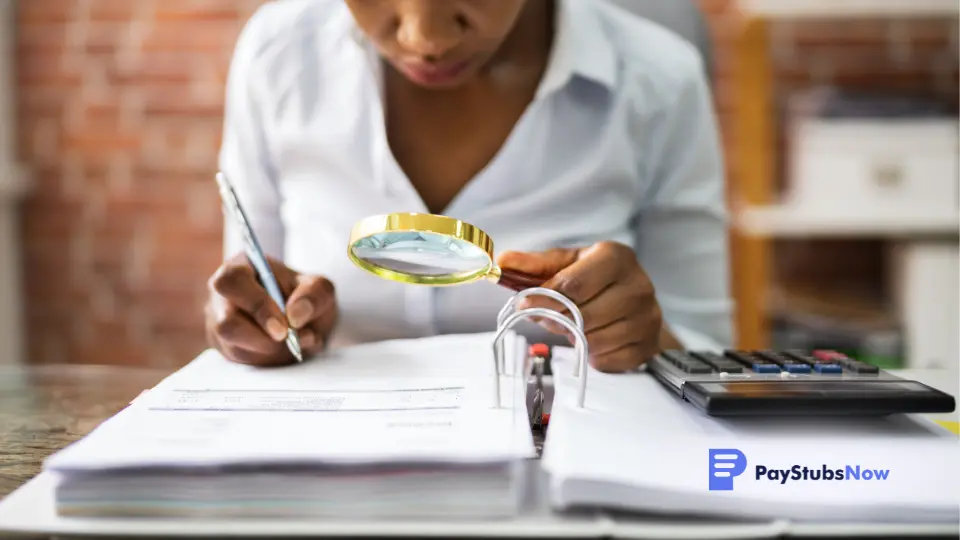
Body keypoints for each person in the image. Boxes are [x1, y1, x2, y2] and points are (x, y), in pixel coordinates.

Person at [205, 0, 732, 372]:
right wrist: (260, 326)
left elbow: (708, 354)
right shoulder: (276, 58)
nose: (424, 39)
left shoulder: (660, 81)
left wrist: (649, 338)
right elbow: (256, 291)